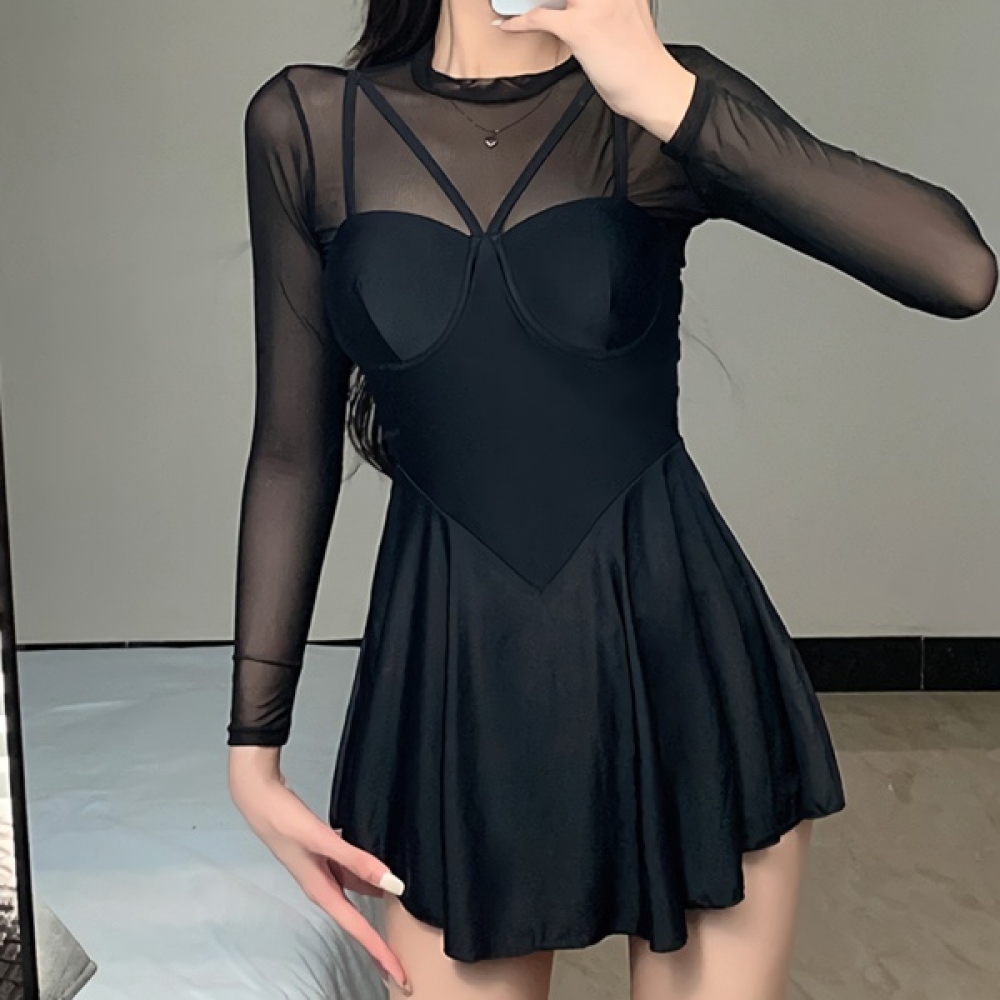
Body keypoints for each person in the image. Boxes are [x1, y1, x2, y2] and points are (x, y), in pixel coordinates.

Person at [225, 1, 997, 997]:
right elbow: (292, 455)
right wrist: (254, 749)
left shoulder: (655, 102)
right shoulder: (306, 122)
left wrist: (670, 95)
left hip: (684, 668)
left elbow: (957, 269)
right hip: (453, 695)